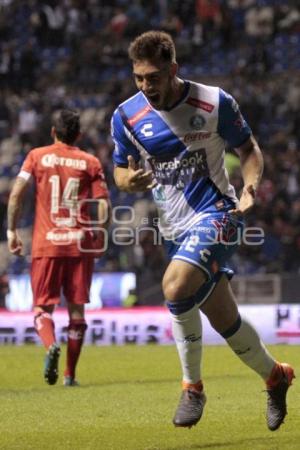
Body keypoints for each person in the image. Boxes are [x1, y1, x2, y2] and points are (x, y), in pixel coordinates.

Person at [111, 30, 295, 431]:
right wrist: (129, 182)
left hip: (219, 214)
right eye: (139, 78)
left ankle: (192, 387)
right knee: (224, 321)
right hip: (175, 228)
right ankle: (276, 375)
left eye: (154, 77)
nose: (146, 86)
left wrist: (250, 186)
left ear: (173, 70)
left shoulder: (213, 102)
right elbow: (120, 171)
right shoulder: (126, 115)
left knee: (175, 287)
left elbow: (248, 149)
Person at [7, 109, 110, 386]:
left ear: (53, 132)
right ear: (78, 135)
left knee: (42, 309)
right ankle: (69, 375)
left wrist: (12, 231)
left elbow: (16, 194)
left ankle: (50, 344)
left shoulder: (36, 156)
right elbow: (103, 204)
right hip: (79, 245)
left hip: (46, 244)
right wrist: (100, 235)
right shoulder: (90, 162)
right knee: (77, 312)